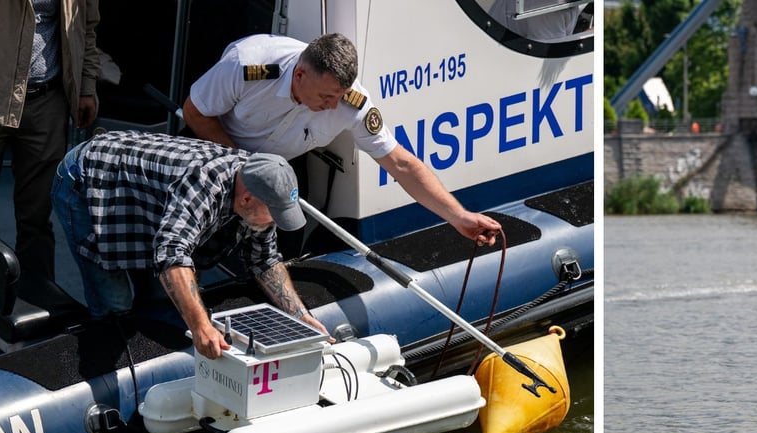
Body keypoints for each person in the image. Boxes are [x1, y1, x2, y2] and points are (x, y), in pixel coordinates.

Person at [181, 32, 501, 248]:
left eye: (340, 96)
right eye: (326, 96)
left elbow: (401, 164)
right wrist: (245, 169)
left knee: (283, 248)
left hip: (280, 168)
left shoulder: (352, 104)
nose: (334, 107)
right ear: (300, 75)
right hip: (216, 149)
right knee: (190, 239)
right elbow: (195, 113)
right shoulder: (248, 66)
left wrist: (458, 216)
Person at [51, 130, 330, 359]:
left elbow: (264, 259)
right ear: (246, 199)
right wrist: (200, 326)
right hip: (91, 179)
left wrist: (299, 315)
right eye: (274, 215)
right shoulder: (204, 185)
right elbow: (172, 253)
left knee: (160, 298)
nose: (275, 223)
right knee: (115, 303)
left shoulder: (259, 184)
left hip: (140, 195)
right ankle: (106, 360)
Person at [0, 0, 101, 282]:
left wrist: (86, 86)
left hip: (46, 102)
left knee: (37, 215)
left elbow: (86, 28)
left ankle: (36, 293)